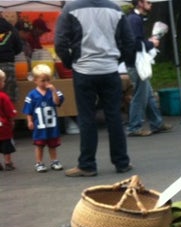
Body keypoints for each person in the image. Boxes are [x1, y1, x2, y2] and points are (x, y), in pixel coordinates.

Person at [55, 0, 135, 177]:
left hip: (84, 70)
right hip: (110, 70)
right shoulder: (115, 8)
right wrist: (116, 60)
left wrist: (71, 62)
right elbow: (129, 42)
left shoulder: (70, 8)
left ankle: (87, 165)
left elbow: (60, 42)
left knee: (86, 117)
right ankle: (122, 162)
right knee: (114, 116)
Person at [125, 0, 172, 137]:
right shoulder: (134, 20)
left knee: (148, 93)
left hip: (135, 61)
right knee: (140, 94)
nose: (151, 4)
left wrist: (148, 42)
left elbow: (135, 42)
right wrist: (151, 43)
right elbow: (135, 43)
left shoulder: (134, 18)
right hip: (136, 62)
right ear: (140, 3)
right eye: (149, 2)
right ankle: (134, 126)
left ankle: (157, 123)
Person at [22, 64, 64, 173]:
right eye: (43, 80)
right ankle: (39, 162)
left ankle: (54, 160)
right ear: (35, 80)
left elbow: (57, 102)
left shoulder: (53, 91)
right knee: (39, 144)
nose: (46, 83)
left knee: (52, 144)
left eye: (48, 80)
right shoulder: (32, 95)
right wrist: (29, 121)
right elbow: (28, 110)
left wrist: (54, 90)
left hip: (51, 124)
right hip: (39, 125)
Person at [0, 16, 23, 102]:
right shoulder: (11, 29)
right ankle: (8, 114)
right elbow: (19, 48)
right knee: (9, 96)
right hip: (8, 65)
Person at [0, 70, 17, 171]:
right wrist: (12, 120)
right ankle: (8, 162)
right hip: (3, 126)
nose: (4, 83)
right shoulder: (3, 96)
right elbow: (9, 111)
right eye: (2, 81)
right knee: (6, 144)